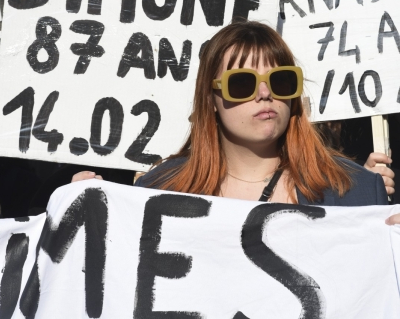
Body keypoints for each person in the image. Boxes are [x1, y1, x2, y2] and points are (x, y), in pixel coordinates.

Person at [73, 21, 389, 206]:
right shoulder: (156, 193)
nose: (265, 94)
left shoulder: (357, 191)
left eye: (280, 81)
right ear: (209, 98)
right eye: (242, 83)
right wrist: (84, 221)